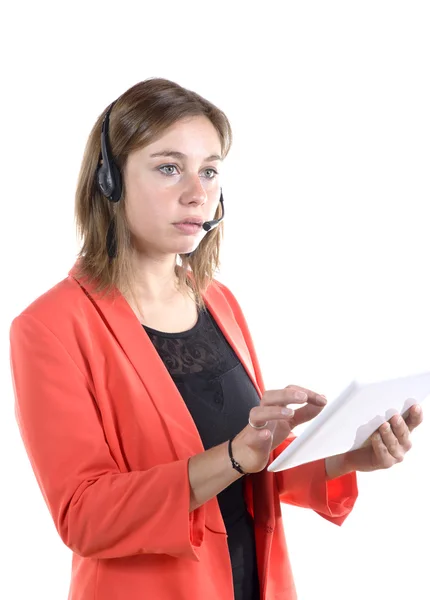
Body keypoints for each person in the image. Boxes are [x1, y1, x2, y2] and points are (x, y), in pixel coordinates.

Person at [9, 77, 423, 600]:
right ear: (109, 182)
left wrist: (346, 456)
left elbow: (249, 472)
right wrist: (231, 455)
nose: (197, 192)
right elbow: (84, 516)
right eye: (168, 167)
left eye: (209, 170)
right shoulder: (50, 327)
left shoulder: (217, 300)